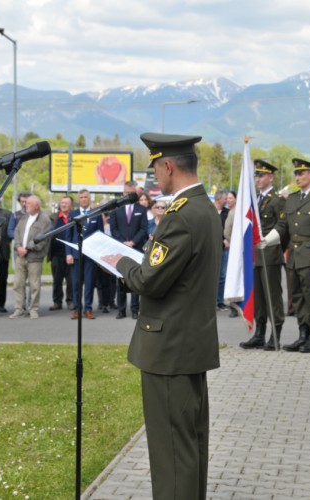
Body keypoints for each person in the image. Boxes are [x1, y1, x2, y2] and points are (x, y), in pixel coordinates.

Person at [103, 133, 221, 500]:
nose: (155, 175)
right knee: (188, 447)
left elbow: (150, 280)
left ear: (168, 165)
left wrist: (117, 260)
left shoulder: (180, 216)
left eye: (155, 167)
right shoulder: (204, 208)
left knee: (171, 452)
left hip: (169, 348)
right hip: (189, 343)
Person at [259, 158, 310, 353]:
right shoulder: (291, 199)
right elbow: (282, 226)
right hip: (293, 255)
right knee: (297, 298)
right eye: (296, 174)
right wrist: (268, 240)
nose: (297, 177)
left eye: (301, 173)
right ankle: (302, 335)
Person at [239, 160, 286, 350]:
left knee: (272, 296)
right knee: (258, 297)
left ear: (271, 177)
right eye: (256, 175)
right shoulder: (255, 199)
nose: (258, 179)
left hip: (270, 254)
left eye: (262, 175)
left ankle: (275, 335)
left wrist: (269, 240)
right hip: (255, 256)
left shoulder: (277, 200)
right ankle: (259, 333)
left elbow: (282, 226)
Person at [109, 181, 148, 320]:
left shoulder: (141, 209)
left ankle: (135, 310)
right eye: (126, 192)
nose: (128, 194)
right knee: (120, 279)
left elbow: (144, 229)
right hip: (121, 249)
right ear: (123, 192)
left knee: (135, 279)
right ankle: (121, 310)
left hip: (136, 249)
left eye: (131, 192)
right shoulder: (116, 210)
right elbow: (113, 229)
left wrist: (133, 242)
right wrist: (123, 243)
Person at [10, 195, 51, 319]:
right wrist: (18, 247)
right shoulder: (24, 218)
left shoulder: (45, 220)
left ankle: (33, 309)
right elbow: (16, 233)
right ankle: (19, 309)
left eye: (28, 203)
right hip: (20, 256)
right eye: (25, 203)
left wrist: (27, 248)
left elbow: (43, 239)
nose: (25, 205)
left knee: (34, 284)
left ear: (37, 206)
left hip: (35, 257)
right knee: (18, 283)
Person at [66, 189, 101, 320]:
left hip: (90, 255)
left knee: (90, 283)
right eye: (81, 197)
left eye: (86, 197)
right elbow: (68, 235)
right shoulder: (73, 214)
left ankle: (88, 309)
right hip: (75, 254)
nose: (84, 199)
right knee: (76, 283)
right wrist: (68, 253)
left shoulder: (95, 213)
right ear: (78, 199)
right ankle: (76, 309)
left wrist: (98, 254)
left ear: (90, 198)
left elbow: (99, 235)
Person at [48, 195, 74, 311]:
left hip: (71, 253)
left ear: (71, 205)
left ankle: (70, 301)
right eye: (62, 203)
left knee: (71, 280)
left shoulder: (74, 217)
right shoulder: (53, 217)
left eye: (66, 203)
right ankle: (57, 301)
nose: (63, 205)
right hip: (56, 253)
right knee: (57, 280)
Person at [221, 191, 240, 317]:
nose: (228, 200)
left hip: (235, 249)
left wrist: (233, 242)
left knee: (233, 278)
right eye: (226, 198)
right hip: (236, 249)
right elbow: (226, 232)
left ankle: (234, 305)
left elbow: (227, 232)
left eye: (230, 198)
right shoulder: (234, 212)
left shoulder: (234, 213)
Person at [0, 203, 13, 313]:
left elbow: (10, 230)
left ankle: (1, 304)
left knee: (3, 279)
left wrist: (6, 243)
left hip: (3, 251)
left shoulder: (7, 214)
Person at [213, 189, 230, 311]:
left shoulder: (227, 212)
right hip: (211, 248)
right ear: (219, 199)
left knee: (222, 275)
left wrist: (226, 239)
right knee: (210, 275)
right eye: (225, 198)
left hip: (223, 248)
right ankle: (209, 301)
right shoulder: (208, 211)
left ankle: (220, 301)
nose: (227, 201)